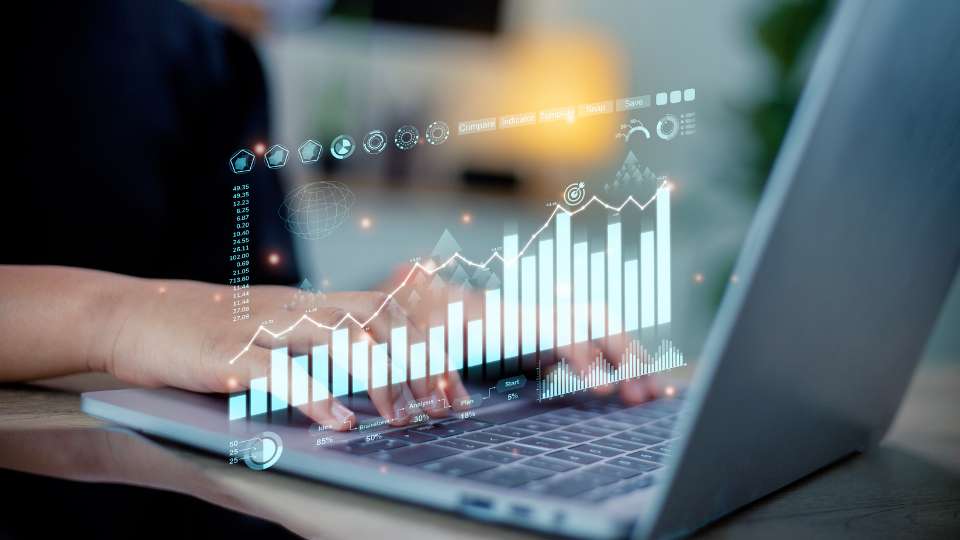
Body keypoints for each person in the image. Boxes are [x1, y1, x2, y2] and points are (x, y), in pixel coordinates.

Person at [1, 1, 655, 432]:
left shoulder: (206, 55)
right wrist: (119, 317)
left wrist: (399, 318)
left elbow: (239, 316)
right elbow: (175, 316)